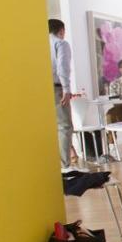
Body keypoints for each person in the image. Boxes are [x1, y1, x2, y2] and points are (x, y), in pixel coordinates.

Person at [49, 19, 75, 169]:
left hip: (40, 90)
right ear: (61, 30)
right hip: (56, 88)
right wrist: (66, 89)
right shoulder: (60, 43)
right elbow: (62, 67)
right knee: (64, 126)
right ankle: (64, 166)